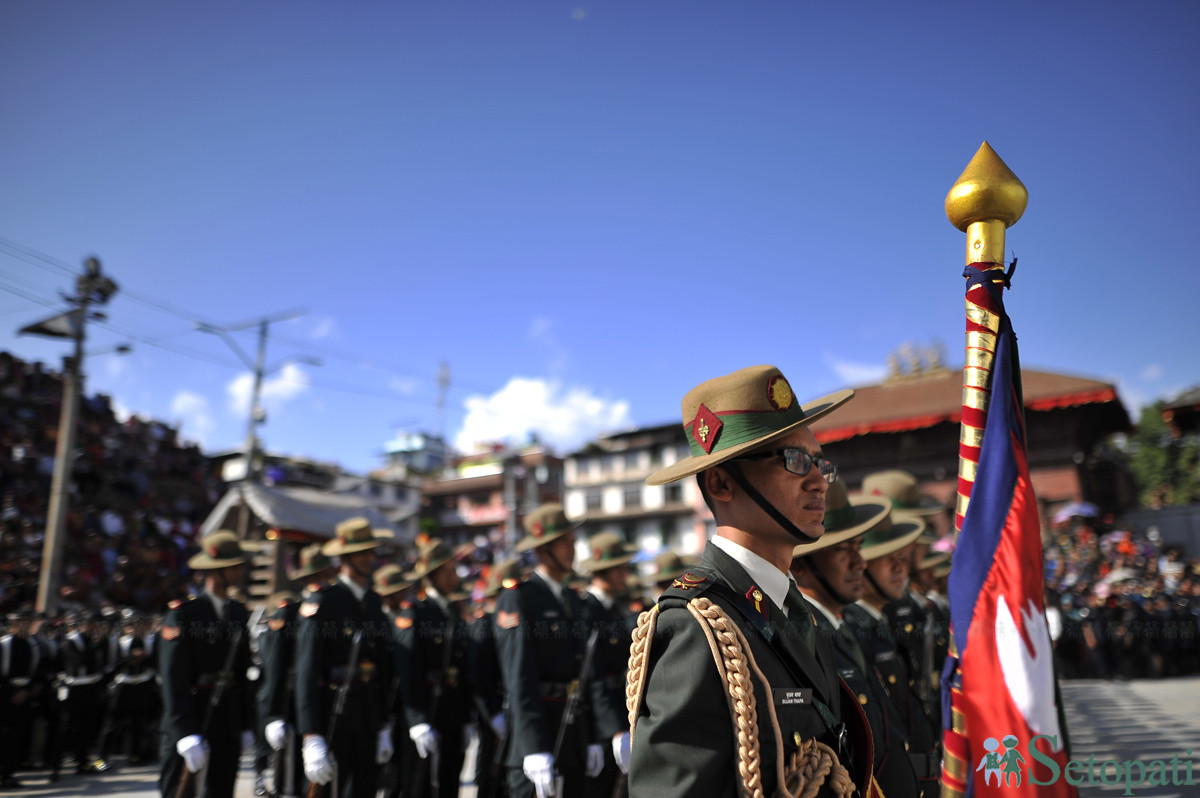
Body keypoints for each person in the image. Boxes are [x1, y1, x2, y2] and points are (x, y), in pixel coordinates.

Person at [627, 364, 873, 798]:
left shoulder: (794, 609)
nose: (819, 482)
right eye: (795, 462)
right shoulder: (696, 626)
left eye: (819, 462)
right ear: (721, 482)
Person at [790, 480, 919, 798]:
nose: (859, 562)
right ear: (801, 566)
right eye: (841, 549)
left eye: (858, 547)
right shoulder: (805, 639)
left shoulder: (840, 631)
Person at [495, 503, 610, 798]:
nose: (572, 550)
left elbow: (585, 673)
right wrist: (534, 747)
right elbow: (519, 679)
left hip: (574, 732)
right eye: (564, 544)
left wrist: (592, 736)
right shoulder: (520, 599)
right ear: (543, 550)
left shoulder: (572, 599)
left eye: (572, 542)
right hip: (538, 738)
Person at [295, 517, 395, 798]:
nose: (369, 558)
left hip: (367, 717)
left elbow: (383, 668)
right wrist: (310, 735)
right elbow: (307, 671)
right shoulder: (324, 602)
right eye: (361, 552)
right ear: (344, 557)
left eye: (371, 551)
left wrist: (384, 723)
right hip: (332, 716)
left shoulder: (374, 602)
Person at [842, 514, 940, 798]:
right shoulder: (852, 632)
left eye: (901, 557)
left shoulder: (878, 625)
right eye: (886, 557)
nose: (901, 567)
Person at [158, 530, 255, 798]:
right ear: (217, 569)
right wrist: (184, 731)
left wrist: (246, 723)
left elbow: (242, 672)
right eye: (234, 565)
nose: (240, 569)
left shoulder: (237, 612)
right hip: (193, 715)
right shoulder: (184, 614)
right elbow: (173, 677)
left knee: (221, 790)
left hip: (227, 718)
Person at [397, 540, 473, 798]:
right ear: (430, 576)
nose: (453, 577)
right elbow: (408, 671)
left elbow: (463, 668)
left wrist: (467, 717)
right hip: (427, 706)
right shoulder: (415, 613)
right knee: (419, 785)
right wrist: (417, 720)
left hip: (452, 709)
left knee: (450, 780)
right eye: (446, 571)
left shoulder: (453, 612)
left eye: (454, 570)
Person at [577, 532, 638, 798]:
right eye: (620, 568)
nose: (625, 573)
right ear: (604, 571)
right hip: (599, 723)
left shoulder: (612, 608)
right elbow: (594, 676)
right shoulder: (588, 611)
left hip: (617, 709)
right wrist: (614, 729)